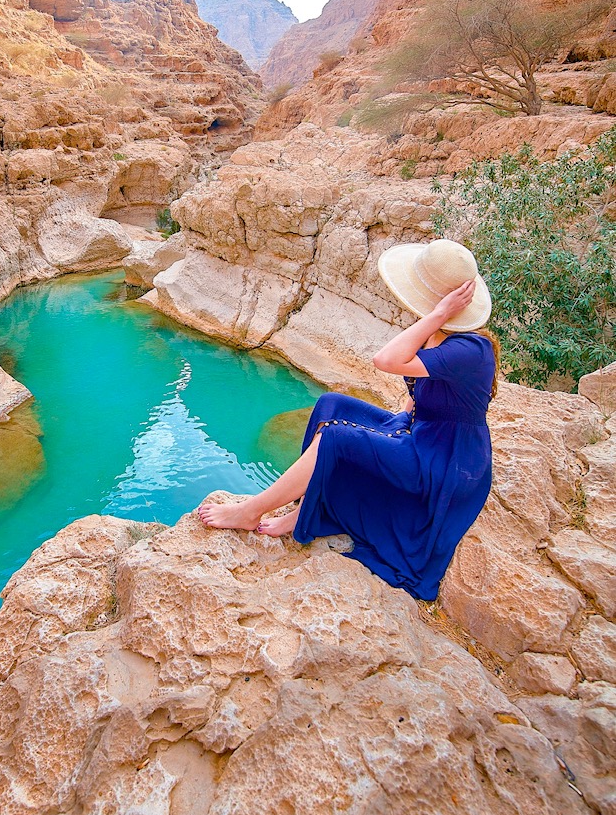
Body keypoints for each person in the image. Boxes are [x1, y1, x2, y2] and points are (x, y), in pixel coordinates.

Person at [197, 238, 498, 602]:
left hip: (444, 463)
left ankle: (252, 510)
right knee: (332, 405)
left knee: (338, 439)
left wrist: (437, 314)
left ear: (448, 304)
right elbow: (417, 393)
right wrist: (395, 426)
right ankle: (306, 507)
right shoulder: (437, 335)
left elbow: (385, 360)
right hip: (422, 435)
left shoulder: (469, 349)